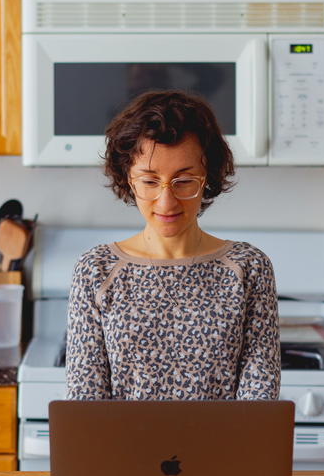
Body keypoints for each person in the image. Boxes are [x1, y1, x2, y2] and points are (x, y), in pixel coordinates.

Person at [65, 89, 281, 401]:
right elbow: (86, 404)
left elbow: (259, 406)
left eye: (184, 181)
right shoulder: (96, 270)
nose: (166, 201)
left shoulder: (248, 268)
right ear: (128, 179)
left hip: (224, 451)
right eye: (150, 181)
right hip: (122, 451)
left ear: (207, 178)